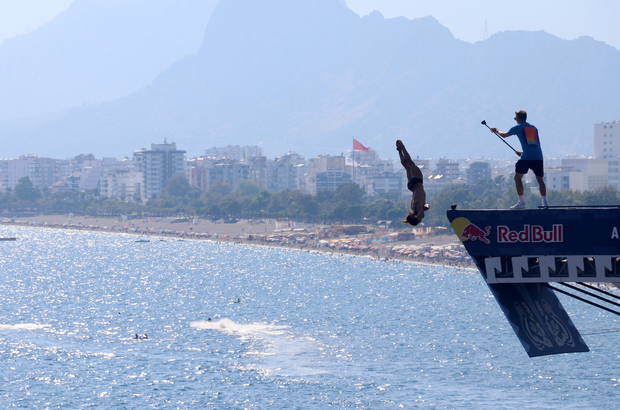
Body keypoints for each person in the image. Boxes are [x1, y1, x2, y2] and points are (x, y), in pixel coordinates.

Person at [490, 110, 547, 209]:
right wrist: (523, 153)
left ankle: (521, 203)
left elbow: (504, 135)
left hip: (527, 157)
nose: (515, 120)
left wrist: (496, 130)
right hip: (538, 157)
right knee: (540, 180)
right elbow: (533, 144)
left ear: (519, 118)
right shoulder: (534, 128)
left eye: (515, 118)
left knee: (517, 178)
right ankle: (545, 203)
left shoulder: (518, 127)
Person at [396, 140, 430, 226]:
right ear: (414, 217)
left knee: (408, 165)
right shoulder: (417, 210)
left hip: (415, 184)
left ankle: (401, 149)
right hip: (413, 185)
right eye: (409, 215)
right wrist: (419, 217)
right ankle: (401, 149)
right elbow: (424, 211)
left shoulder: (417, 209)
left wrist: (425, 207)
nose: (409, 213)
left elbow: (427, 206)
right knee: (408, 165)